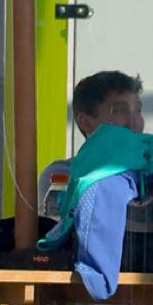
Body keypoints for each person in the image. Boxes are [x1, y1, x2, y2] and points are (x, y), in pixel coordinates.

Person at [38, 69, 144, 223]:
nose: (134, 122)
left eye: (138, 110)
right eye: (120, 110)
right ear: (87, 122)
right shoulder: (63, 175)